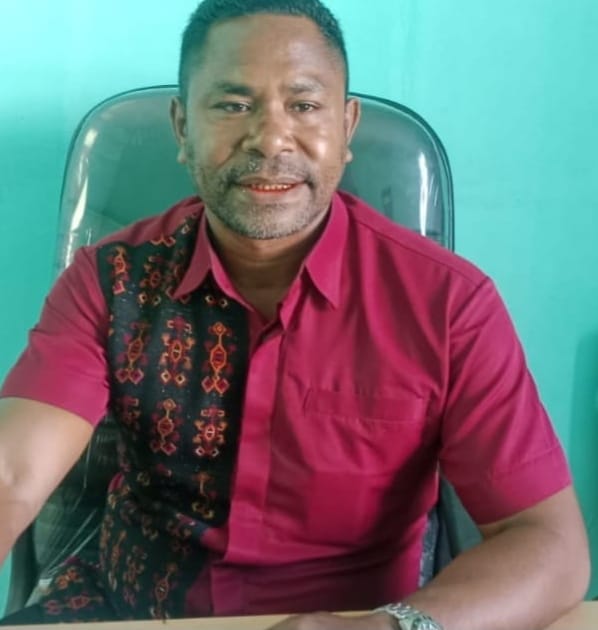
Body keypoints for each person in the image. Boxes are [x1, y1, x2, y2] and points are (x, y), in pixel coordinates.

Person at [0, 0, 590, 628]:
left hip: (354, 620)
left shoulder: (448, 305)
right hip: (131, 608)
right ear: (182, 128)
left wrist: (389, 628)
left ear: (346, 126)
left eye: (304, 106)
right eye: (233, 105)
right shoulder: (110, 280)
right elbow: (12, 473)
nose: (270, 139)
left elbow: (547, 543)